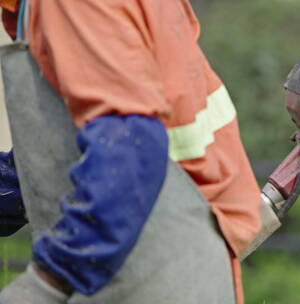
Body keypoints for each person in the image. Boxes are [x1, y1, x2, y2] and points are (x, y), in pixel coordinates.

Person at [0, 0, 262, 303]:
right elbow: (84, 147)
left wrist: (48, 282)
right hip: (170, 250)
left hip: (146, 264)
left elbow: (129, 148)